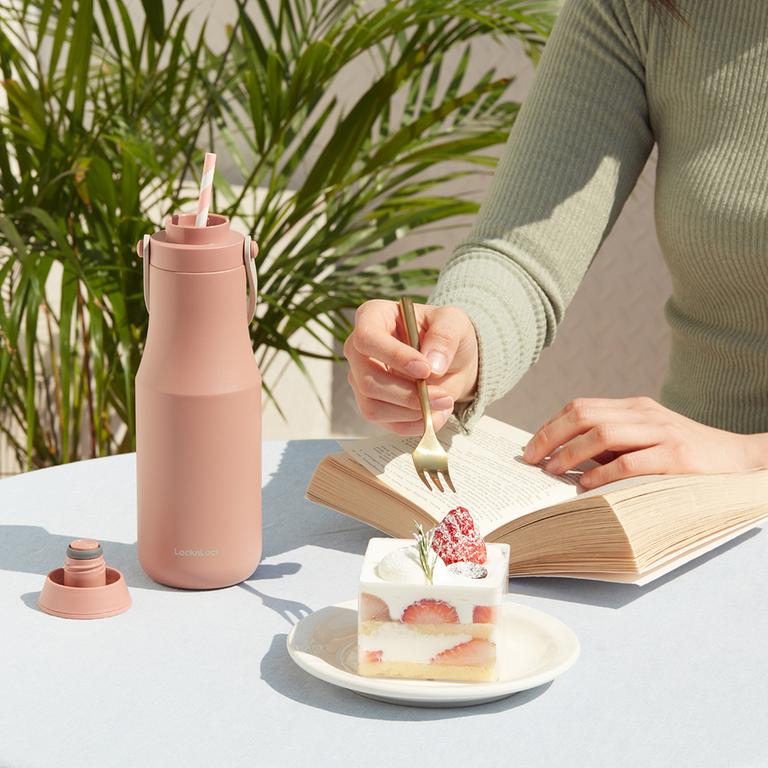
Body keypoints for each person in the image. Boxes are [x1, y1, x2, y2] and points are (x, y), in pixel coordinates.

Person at [344, 0, 768, 489]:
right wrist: (460, 339)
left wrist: (748, 452)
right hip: (682, 497)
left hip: (713, 473)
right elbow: (522, 252)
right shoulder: (643, 9)